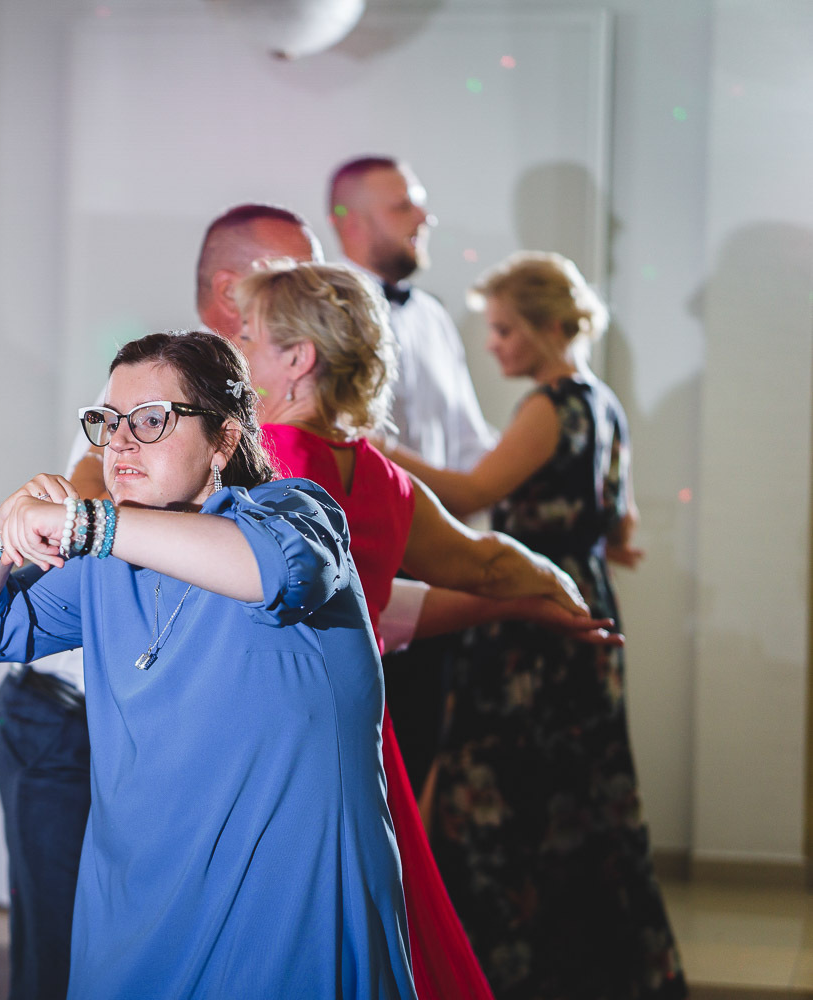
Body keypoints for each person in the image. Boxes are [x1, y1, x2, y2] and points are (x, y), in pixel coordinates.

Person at [0, 331, 416, 998]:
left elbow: (277, 571)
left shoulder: (295, 512)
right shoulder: (108, 565)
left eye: (151, 420)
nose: (120, 443)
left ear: (223, 441)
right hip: (141, 905)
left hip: (280, 908)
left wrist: (89, 525)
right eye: (109, 422)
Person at [235, 258, 622, 1000]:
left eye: (249, 336)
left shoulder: (265, 463)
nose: (239, 351)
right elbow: (485, 562)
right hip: (360, 734)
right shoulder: (382, 476)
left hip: (274, 738)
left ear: (298, 359)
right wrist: (555, 589)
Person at [0, 203, 322, 1000]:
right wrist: (40, 521)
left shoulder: (271, 446)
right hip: (73, 711)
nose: (311, 286)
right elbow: (86, 506)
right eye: (294, 271)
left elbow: (284, 566)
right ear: (231, 288)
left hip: (170, 727)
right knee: (68, 953)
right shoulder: (155, 393)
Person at [382, 251, 684, 999]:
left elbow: (473, 491)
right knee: (582, 792)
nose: (492, 346)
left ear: (550, 328)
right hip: (587, 600)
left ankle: (498, 973)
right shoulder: (604, 403)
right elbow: (623, 529)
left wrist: (378, 453)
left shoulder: (548, 406)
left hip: (533, 619)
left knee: (496, 794)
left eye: (505, 330)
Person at [329, 155, 497, 794]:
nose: (424, 216)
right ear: (349, 221)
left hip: (436, 559)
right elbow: (345, 439)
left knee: (422, 751)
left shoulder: (432, 316)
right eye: (403, 205)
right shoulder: (325, 313)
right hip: (364, 568)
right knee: (359, 766)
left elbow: (469, 441)